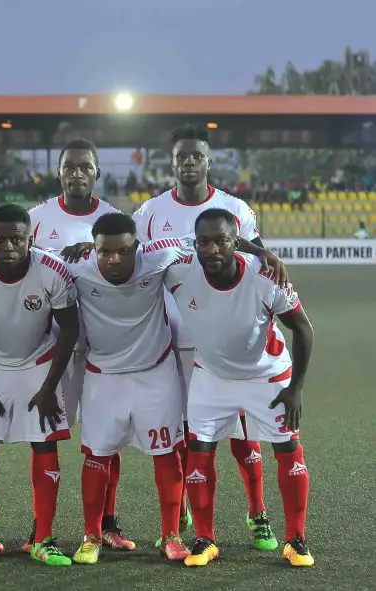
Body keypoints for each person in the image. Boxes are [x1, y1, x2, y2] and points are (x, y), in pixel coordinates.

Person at [131, 123, 278, 551]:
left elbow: (256, 257)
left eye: (197, 156)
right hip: (172, 340)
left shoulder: (234, 207)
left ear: (208, 161)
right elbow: (136, 265)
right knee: (185, 434)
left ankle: (258, 513)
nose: (189, 163)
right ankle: (183, 512)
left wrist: (267, 253)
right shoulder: (150, 213)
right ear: (172, 162)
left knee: (244, 435)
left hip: (227, 340)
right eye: (182, 156)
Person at [164, 208, 315, 567]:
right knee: (199, 451)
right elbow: (134, 256)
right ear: (194, 243)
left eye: (221, 241)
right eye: (204, 242)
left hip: (267, 376)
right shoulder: (178, 271)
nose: (212, 249)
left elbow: (303, 329)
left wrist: (296, 388)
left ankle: (296, 540)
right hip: (211, 376)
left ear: (237, 243)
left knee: (288, 450)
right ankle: (205, 539)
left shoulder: (266, 277)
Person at [0, 204, 80, 569]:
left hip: (38, 364)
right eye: (0, 240)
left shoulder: (52, 271)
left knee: (45, 446)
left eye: (16, 239)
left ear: (30, 239)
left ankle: (43, 540)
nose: (8, 246)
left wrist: (48, 388)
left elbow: (69, 329)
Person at [25, 138, 128, 553]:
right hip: (50, 345)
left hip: (102, 348)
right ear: (58, 172)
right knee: (44, 435)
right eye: (69, 166)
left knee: (106, 438)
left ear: (97, 172)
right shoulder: (36, 218)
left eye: (85, 166)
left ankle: (107, 523)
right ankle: (40, 526)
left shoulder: (114, 218)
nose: (77, 173)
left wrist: (94, 248)